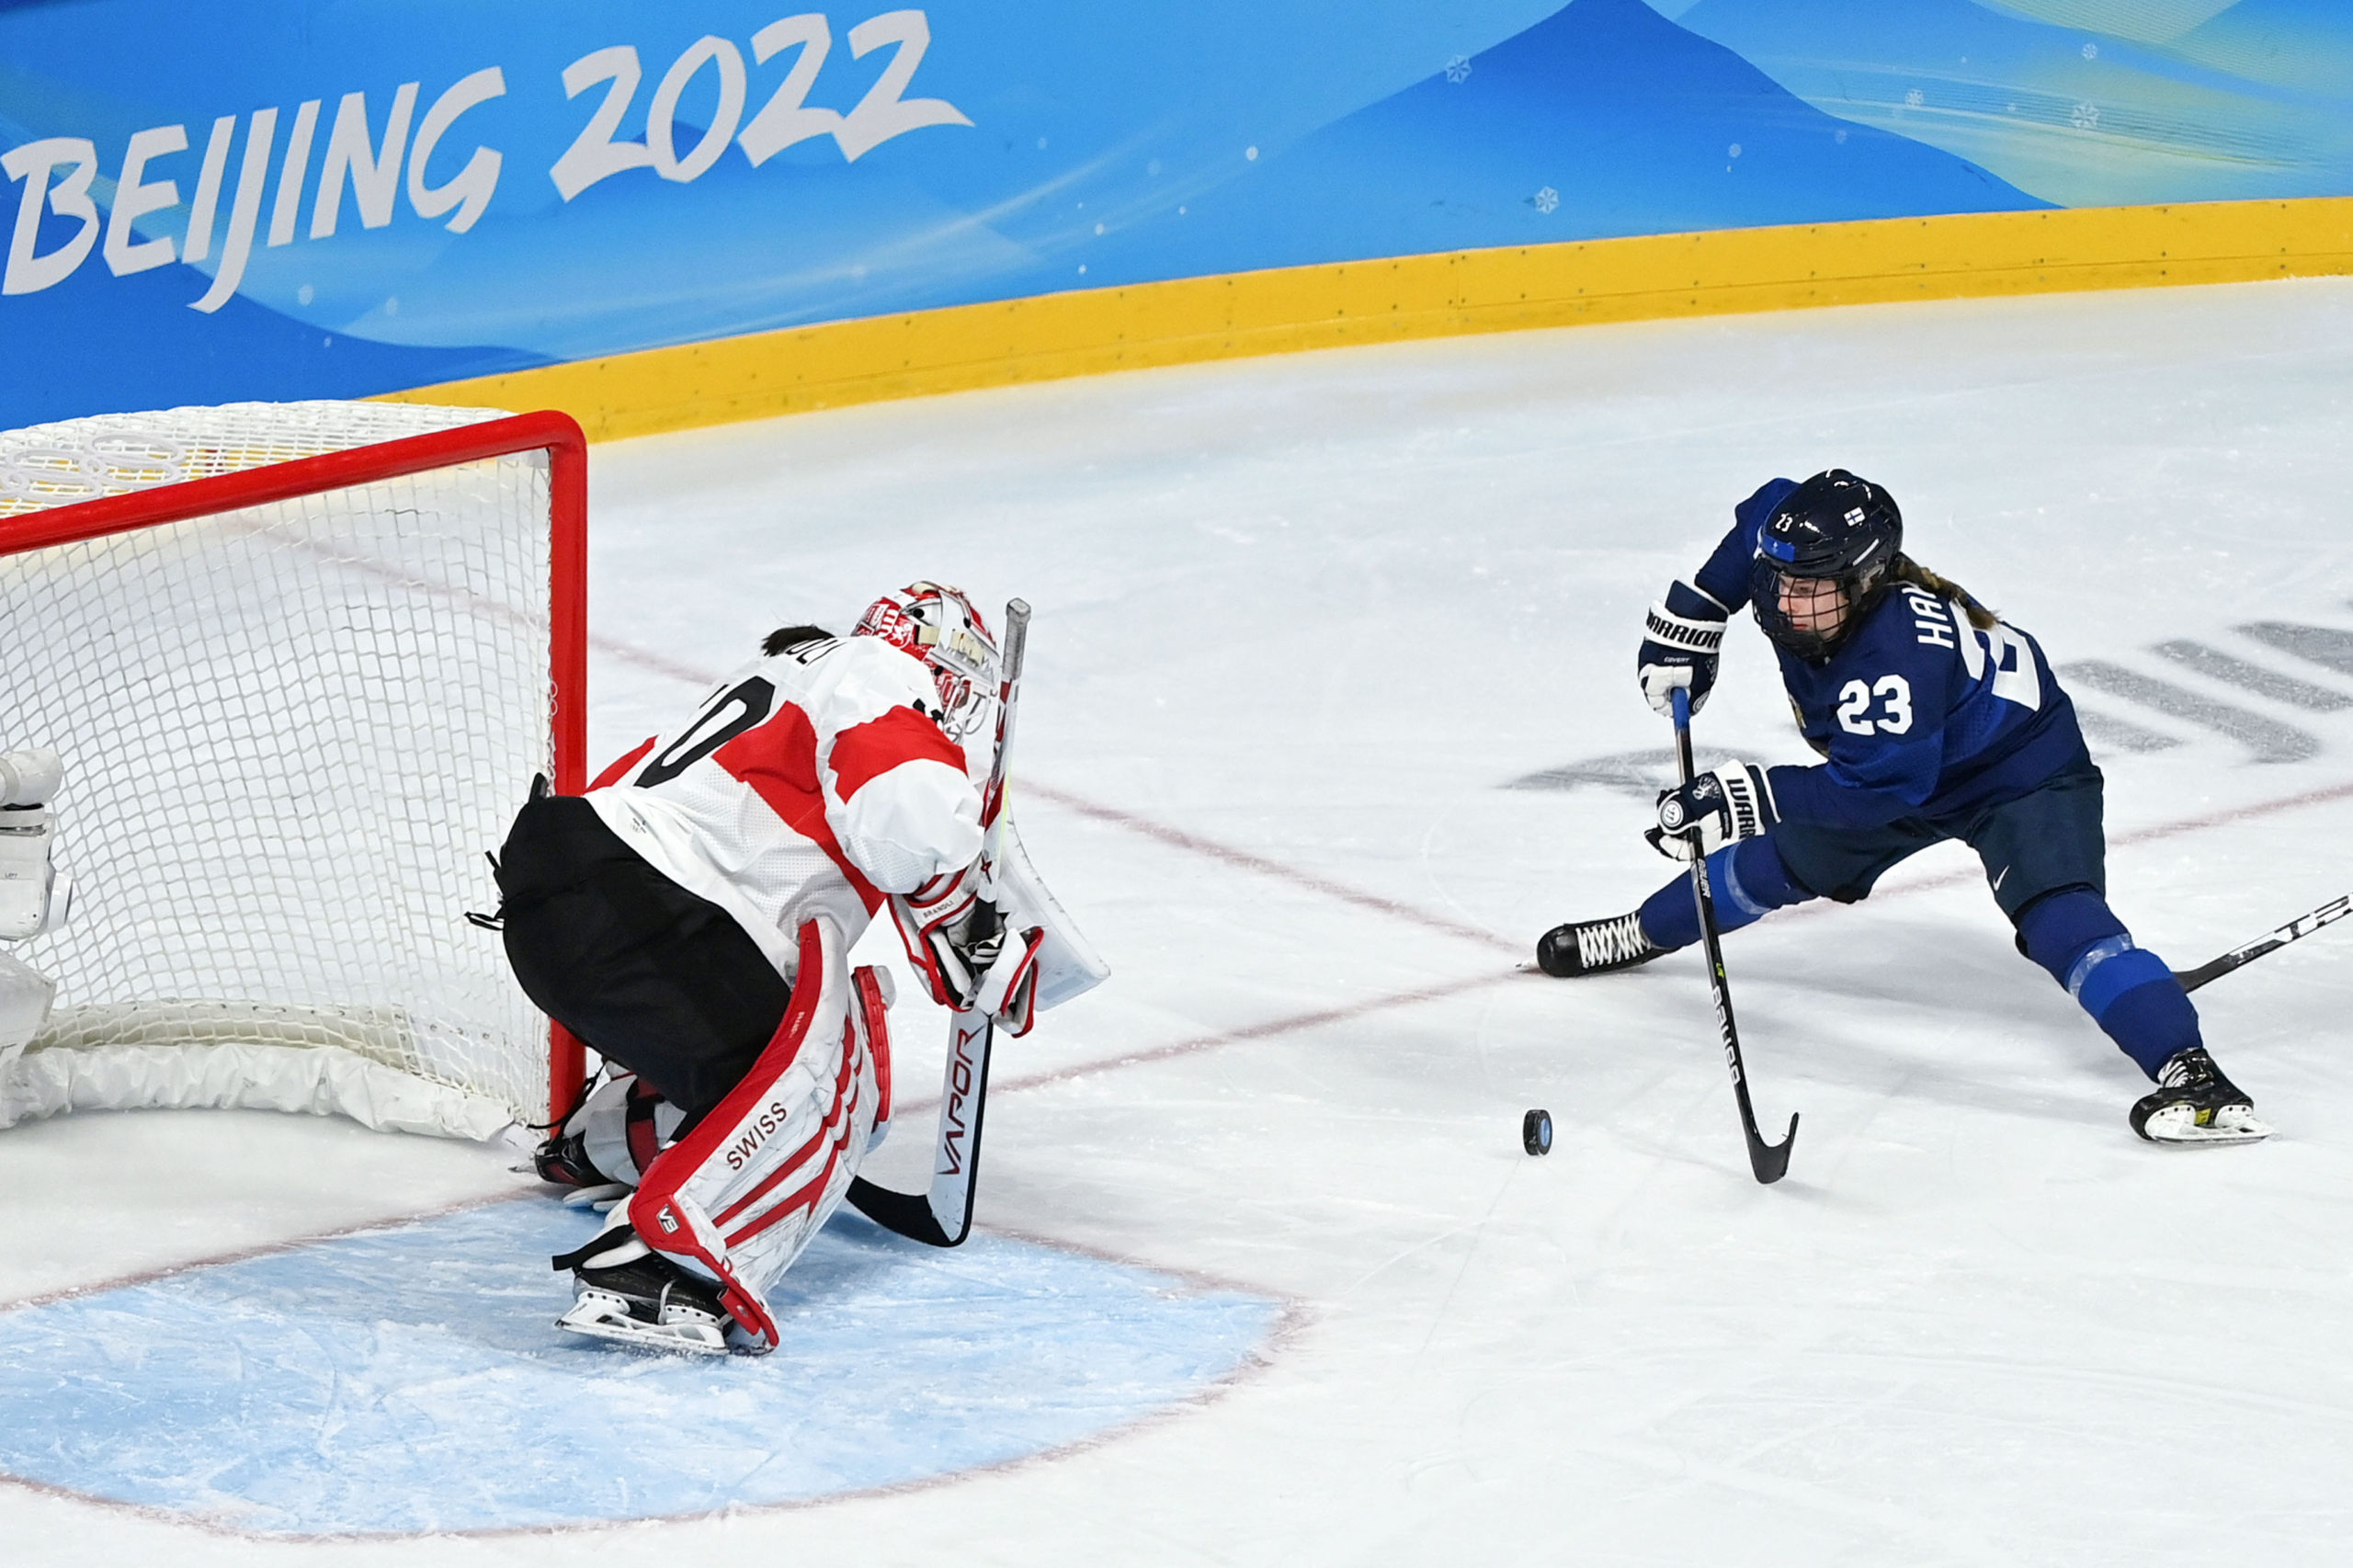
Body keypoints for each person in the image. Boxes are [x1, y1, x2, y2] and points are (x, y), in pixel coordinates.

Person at [1536, 470, 2268, 1147]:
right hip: (1901, 763)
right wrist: (1696, 608)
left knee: (2058, 918)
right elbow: (1768, 506)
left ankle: (2194, 1076)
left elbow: (1880, 792)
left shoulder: (1897, 657)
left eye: (1813, 588)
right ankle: (1639, 932)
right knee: (1773, 864)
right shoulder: (1795, 570)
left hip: (2020, 771)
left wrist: (1748, 796)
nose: (1788, 602)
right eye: (1781, 580)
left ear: (1865, 581)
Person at [495, 583, 1074, 1355]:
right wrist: (972, 924)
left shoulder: (790, 680)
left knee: (755, 1067)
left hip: (568, 905)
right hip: (651, 911)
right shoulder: (878, 668)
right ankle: (658, 1267)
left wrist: (959, 937)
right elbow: (905, 817)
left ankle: (607, 1141)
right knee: (830, 1078)